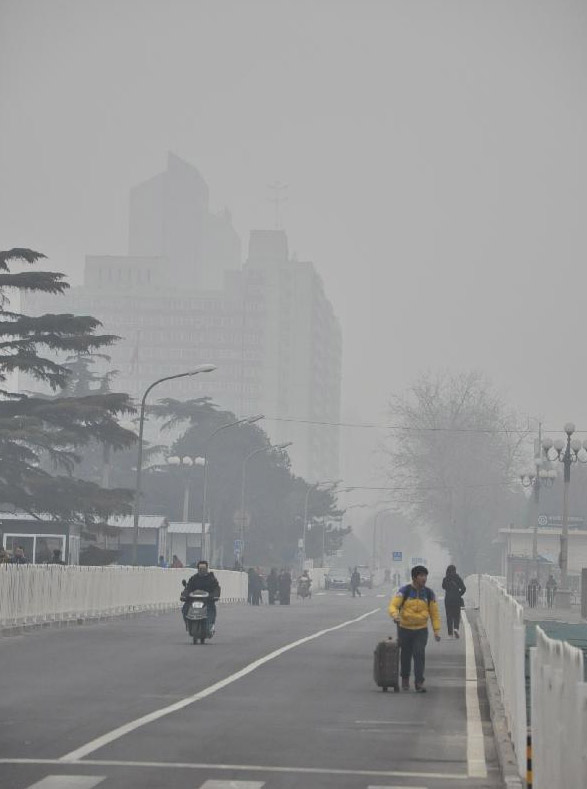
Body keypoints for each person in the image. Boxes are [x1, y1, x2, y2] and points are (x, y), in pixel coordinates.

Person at [389, 565, 441, 693]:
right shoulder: (405, 591)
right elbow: (393, 605)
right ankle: (405, 678)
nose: (424, 578)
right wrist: (395, 616)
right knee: (405, 655)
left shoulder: (429, 593)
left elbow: (434, 614)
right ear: (414, 577)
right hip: (404, 629)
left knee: (419, 653)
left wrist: (436, 630)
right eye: (421, 576)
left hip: (421, 630)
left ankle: (419, 682)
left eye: (425, 576)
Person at [181, 560, 221, 636]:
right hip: (193, 600)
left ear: (207, 568)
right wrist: (184, 595)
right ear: (198, 568)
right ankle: (187, 623)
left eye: (204, 568)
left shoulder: (211, 578)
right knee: (185, 609)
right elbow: (188, 588)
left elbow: (216, 588)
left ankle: (210, 626)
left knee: (211, 611)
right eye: (200, 568)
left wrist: (215, 595)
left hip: (207, 600)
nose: (202, 570)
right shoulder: (194, 578)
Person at [441, 564, 466, 638]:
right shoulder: (458, 578)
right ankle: (456, 629)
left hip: (448, 600)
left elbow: (443, 587)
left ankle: (450, 634)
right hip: (456, 599)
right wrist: (459, 594)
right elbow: (464, 588)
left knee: (449, 616)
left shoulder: (445, 579)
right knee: (456, 615)